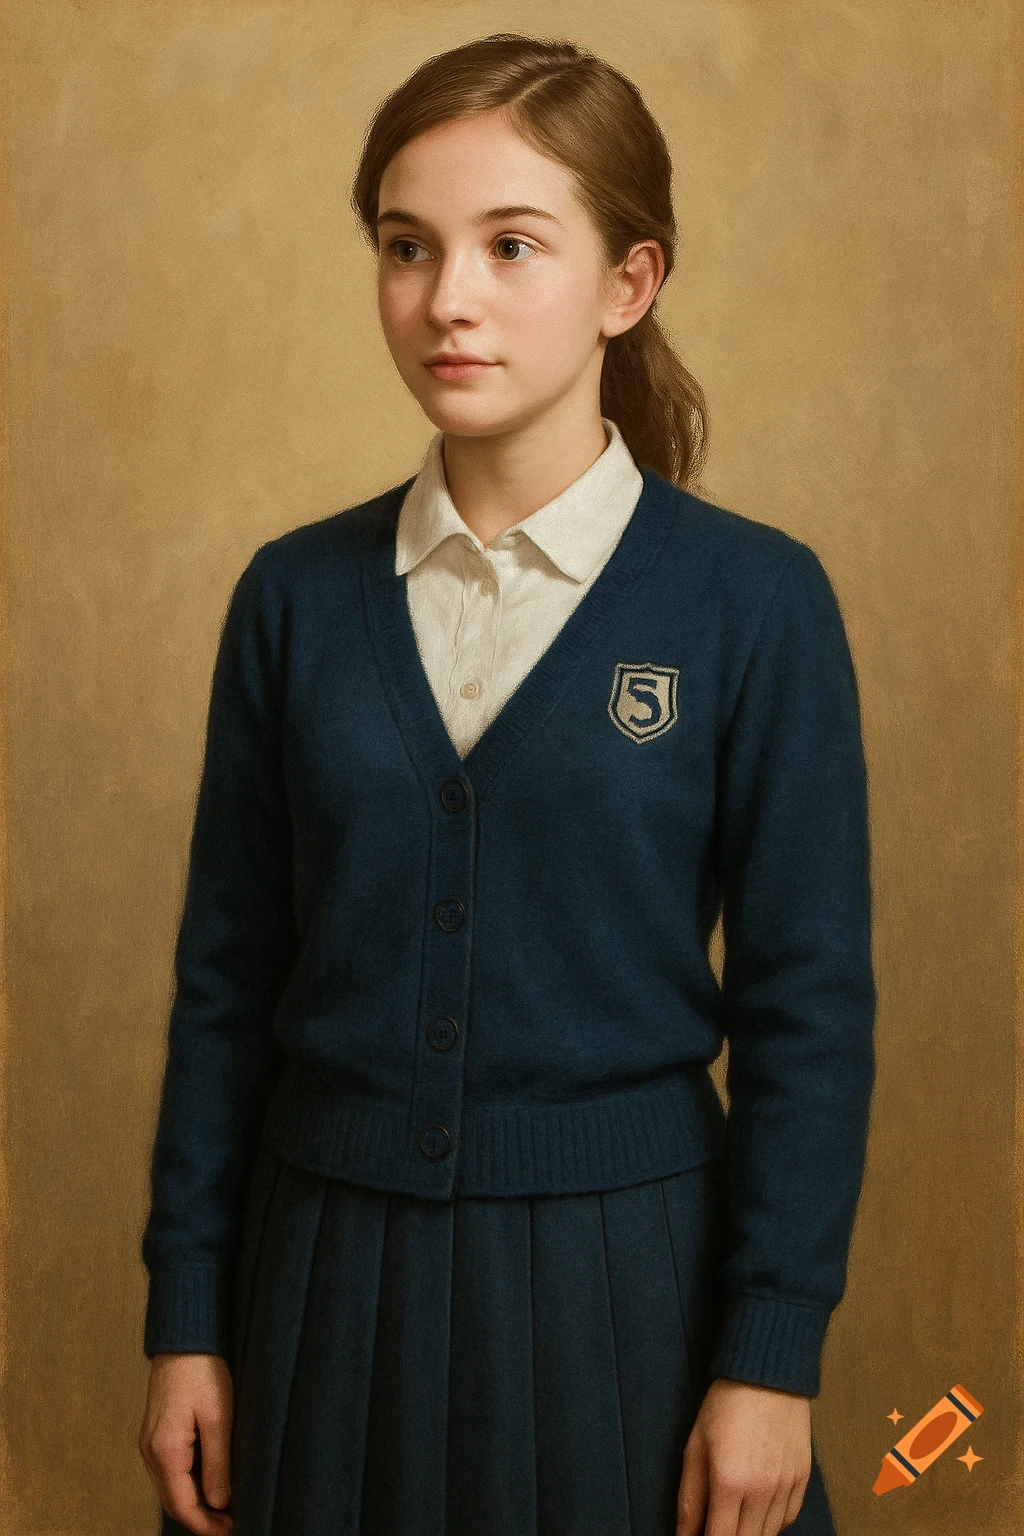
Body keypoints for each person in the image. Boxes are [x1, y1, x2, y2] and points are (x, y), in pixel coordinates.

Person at [137, 31, 876, 1536]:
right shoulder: (292, 598)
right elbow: (226, 985)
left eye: (510, 245)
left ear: (630, 283)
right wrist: (189, 1316)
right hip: (319, 1280)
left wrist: (772, 1357)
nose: (445, 299)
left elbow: (812, 1011)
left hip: (632, 1289)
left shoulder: (754, 605)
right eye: (407, 247)